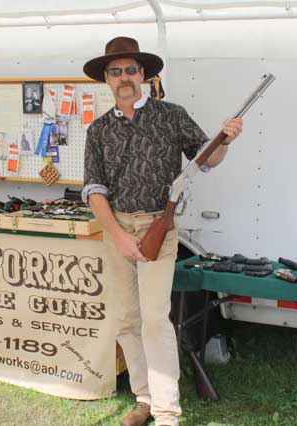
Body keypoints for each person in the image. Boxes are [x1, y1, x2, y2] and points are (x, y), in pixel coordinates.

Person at [81, 36, 243, 426]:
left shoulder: (171, 115)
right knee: (125, 318)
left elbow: (208, 158)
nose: (124, 77)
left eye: (131, 70)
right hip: (117, 229)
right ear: (107, 78)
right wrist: (119, 236)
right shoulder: (98, 130)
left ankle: (168, 411)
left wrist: (226, 140)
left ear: (145, 75)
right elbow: (94, 191)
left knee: (154, 318)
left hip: (159, 227)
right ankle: (144, 399)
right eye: (116, 71)